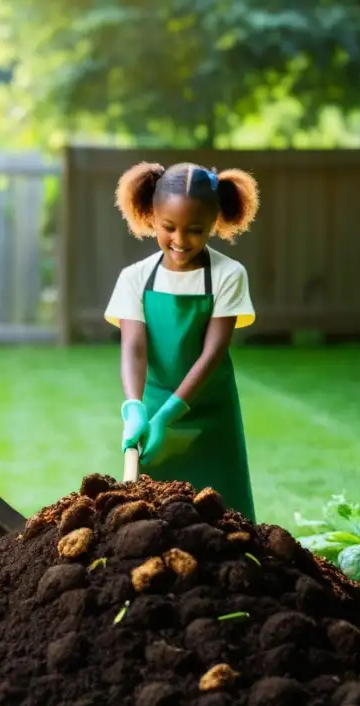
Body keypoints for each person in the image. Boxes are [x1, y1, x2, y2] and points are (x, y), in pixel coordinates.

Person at [104, 161, 259, 521]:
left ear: (215, 222)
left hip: (211, 413)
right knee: (154, 524)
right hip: (154, 408)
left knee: (224, 520)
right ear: (150, 217)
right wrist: (135, 408)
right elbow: (134, 347)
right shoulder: (135, 278)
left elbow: (214, 350)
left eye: (195, 230)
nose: (180, 240)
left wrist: (175, 409)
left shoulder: (228, 275)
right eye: (168, 227)